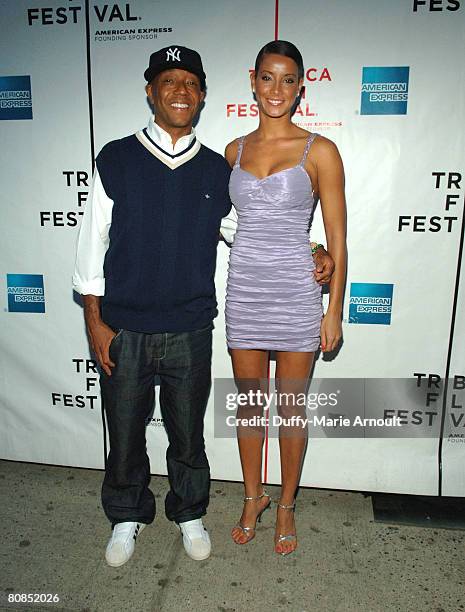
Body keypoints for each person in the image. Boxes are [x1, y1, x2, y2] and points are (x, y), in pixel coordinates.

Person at [73, 44, 335, 567]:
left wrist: (312, 250)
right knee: (124, 430)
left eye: (190, 83)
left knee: (188, 432)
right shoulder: (116, 157)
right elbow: (90, 242)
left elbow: (249, 228)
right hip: (124, 325)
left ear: (203, 96)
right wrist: (95, 321)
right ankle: (126, 515)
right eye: (168, 81)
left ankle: (189, 512)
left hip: (191, 325)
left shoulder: (218, 167)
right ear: (150, 91)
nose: (179, 91)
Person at [224, 40, 347, 556]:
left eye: (288, 79)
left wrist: (334, 308)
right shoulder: (233, 151)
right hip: (244, 293)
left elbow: (337, 237)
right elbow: (228, 226)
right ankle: (254, 498)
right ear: (253, 81)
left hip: (297, 295)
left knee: (291, 411)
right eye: (268, 78)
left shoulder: (319, 150)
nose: (277, 89)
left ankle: (289, 503)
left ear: (301, 86)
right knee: (251, 409)